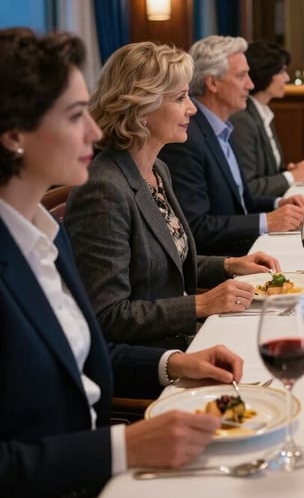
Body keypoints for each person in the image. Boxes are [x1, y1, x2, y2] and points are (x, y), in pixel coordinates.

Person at [0, 28, 246, 498]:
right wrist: (122, 447)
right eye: (75, 115)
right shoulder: (99, 191)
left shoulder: (43, 239)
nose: (94, 130)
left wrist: (174, 363)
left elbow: (88, 359)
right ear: (14, 136)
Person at [65, 42, 281, 350]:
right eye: (180, 98)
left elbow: (168, 260)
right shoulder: (103, 190)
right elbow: (106, 316)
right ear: (141, 106)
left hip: (184, 336)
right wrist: (201, 305)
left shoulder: (158, 169)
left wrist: (231, 264)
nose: (193, 108)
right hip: (155, 356)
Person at [160, 36, 304, 255]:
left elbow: (241, 201)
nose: (250, 84)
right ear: (212, 83)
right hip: (222, 265)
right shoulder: (187, 138)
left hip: (244, 250)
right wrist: (266, 221)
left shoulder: (222, 127)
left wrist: (279, 203)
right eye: (241, 76)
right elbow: (195, 227)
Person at [230, 39, 304, 197]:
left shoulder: (263, 112)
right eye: (282, 71)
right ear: (265, 73)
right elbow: (249, 188)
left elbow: (268, 172)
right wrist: (292, 176)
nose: (287, 78)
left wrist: (291, 172)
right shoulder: (242, 119)